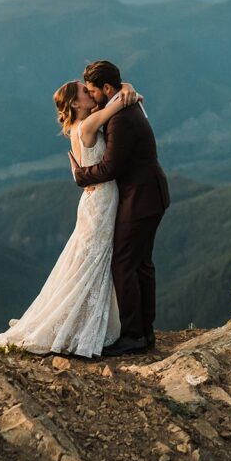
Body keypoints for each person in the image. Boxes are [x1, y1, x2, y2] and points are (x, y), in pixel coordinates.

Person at [0, 79, 142, 358]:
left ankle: (87, 321)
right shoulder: (89, 125)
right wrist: (127, 88)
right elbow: (118, 104)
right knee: (92, 260)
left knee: (90, 260)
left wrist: (124, 84)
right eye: (84, 91)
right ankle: (80, 326)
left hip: (98, 199)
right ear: (76, 104)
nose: (89, 92)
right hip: (101, 201)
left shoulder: (76, 127)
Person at [69, 60, 170, 357]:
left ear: (107, 89)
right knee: (141, 264)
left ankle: (134, 335)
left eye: (93, 90)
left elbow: (111, 167)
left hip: (140, 199)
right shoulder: (125, 104)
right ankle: (145, 331)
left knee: (124, 264)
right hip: (150, 195)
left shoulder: (121, 117)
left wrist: (80, 175)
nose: (91, 95)